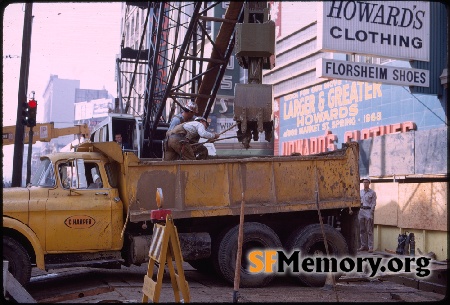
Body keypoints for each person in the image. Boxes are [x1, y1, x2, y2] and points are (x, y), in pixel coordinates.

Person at [358, 177, 377, 253]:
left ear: (369, 183)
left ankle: (370, 247)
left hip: (368, 211)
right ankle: (363, 246)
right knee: (362, 230)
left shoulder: (372, 192)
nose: (365, 183)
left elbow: (373, 203)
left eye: (366, 182)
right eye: (364, 182)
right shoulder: (360, 192)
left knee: (369, 230)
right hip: (361, 210)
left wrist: (371, 212)